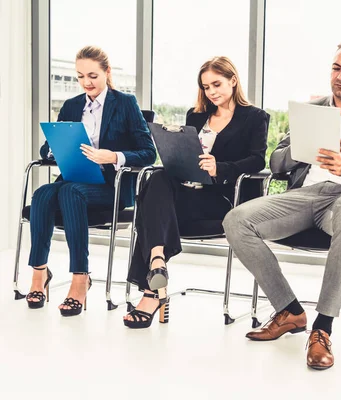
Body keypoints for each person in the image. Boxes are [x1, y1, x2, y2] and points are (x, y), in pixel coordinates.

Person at [223, 41, 341, 370]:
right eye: (337, 68)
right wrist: (307, 146)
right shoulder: (312, 109)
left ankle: (322, 329)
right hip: (305, 194)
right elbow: (277, 163)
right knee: (236, 220)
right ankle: (290, 310)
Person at [123, 56, 269, 329]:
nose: (212, 92)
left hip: (222, 199)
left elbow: (258, 160)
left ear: (233, 80)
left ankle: (152, 291)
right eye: (206, 87)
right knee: (156, 177)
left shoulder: (254, 117)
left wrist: (220, 168)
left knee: (149, 210)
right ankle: (157, 260)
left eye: (217, 84)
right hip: (188, 193)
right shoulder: (197, 115)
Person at [26, 45, 156, 316]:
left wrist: (113, 156)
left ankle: (80, 279)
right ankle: (39, 273)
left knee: (69, 192)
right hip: (75, 180)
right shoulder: (72, 106)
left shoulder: (125, 104)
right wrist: (56, 147)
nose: (87, 82)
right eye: (80, 76)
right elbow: (45, 150)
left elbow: (148, 154)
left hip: (112, 188)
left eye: (93, 76)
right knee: (41, 194)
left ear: (107, 73)